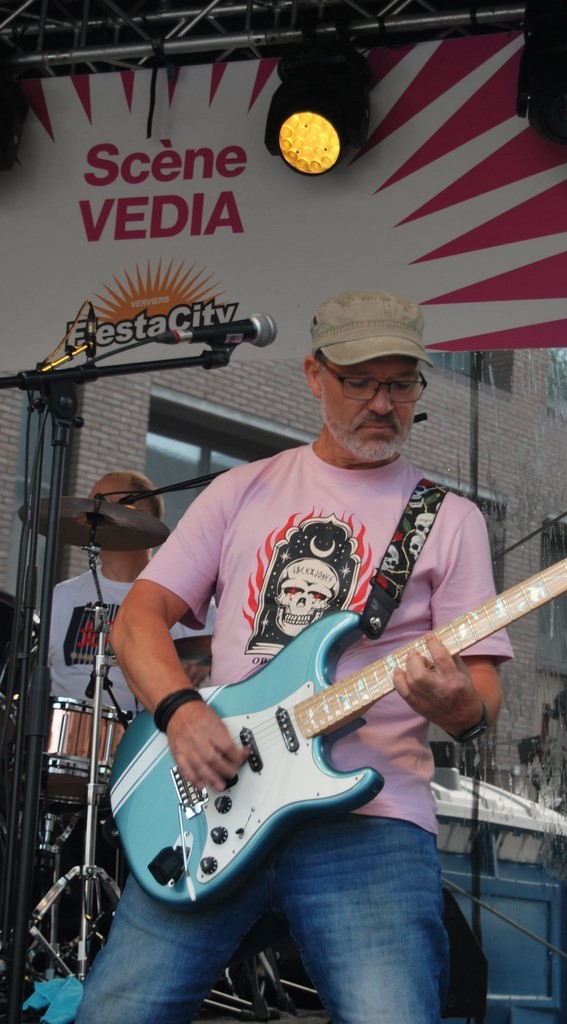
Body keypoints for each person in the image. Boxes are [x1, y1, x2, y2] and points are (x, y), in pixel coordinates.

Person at [74, 290, 513, 1024]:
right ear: (314, 374)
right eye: (360, 382)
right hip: (219, 798)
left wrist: (461, 708)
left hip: (371, 821)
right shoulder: (240, 490)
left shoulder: (449, 519)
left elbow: (482, 690)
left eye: (401, 384)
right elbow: (138, 621)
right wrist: (180, 713)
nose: (383, 403)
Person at [48, 471, 213, 716]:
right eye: (89, 506)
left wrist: (210, 663)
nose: (91, 515)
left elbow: (220, 663)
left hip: (147, 736)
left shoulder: (189, 602)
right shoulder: (62, 596)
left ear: (142, 518)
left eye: (102, 505)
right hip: (62, 733)